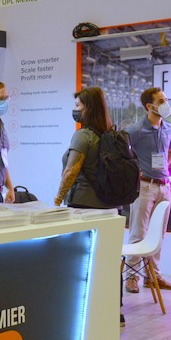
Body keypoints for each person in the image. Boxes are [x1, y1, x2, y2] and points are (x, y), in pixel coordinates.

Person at [53, 87, 124, 326]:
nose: (74, 110)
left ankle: (83, 314)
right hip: (111, 208)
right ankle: (114, 312)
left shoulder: (83, 135)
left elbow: (71, 171)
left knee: (81, 263)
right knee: (109, 262)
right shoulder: (111, 134)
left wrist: (57, 200)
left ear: (88, 108)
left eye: (78, 106)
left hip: (84, 208)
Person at [124, 87, 171, 294]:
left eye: (166, 99)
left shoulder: (170, 129)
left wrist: (161, 171)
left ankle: (153, 277)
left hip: (164, 186)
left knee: (158, 234)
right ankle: (131, 277)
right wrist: (136, 171)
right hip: (144, 186)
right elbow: (123, 154)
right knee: (138, 232)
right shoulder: (135, 130)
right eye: (161, 100)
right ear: (149, 106)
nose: (166, 103)